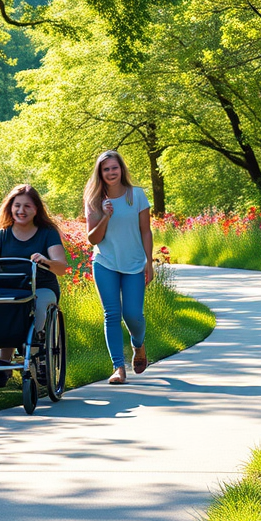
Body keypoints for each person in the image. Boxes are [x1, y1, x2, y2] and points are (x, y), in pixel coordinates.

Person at [0, 185, 69, 386]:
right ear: (10, 207)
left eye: (27, 206)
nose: (21, 211)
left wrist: (45, 261)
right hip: (12, 289)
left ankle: (37, 358)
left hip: (42, 287)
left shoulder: (47, 233)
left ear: (36, 209)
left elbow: (61, 268)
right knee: (8, 310)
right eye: (17, 206)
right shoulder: (1, 235)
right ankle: (3, 363)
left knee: (36, 310)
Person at [84, 150, 154, 385]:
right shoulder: (94, 200)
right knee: (112, 314)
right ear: (100, 173)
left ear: (121, 169)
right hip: (105, 263)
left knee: (133, 315)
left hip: (134, 264)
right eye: (106, 169)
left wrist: (149, 262)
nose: (111, 172)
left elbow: (146, 230)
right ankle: (118, 368)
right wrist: (105, 215)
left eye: (114, 168)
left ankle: (138, 344)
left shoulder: (137, 196)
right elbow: (93, 240)